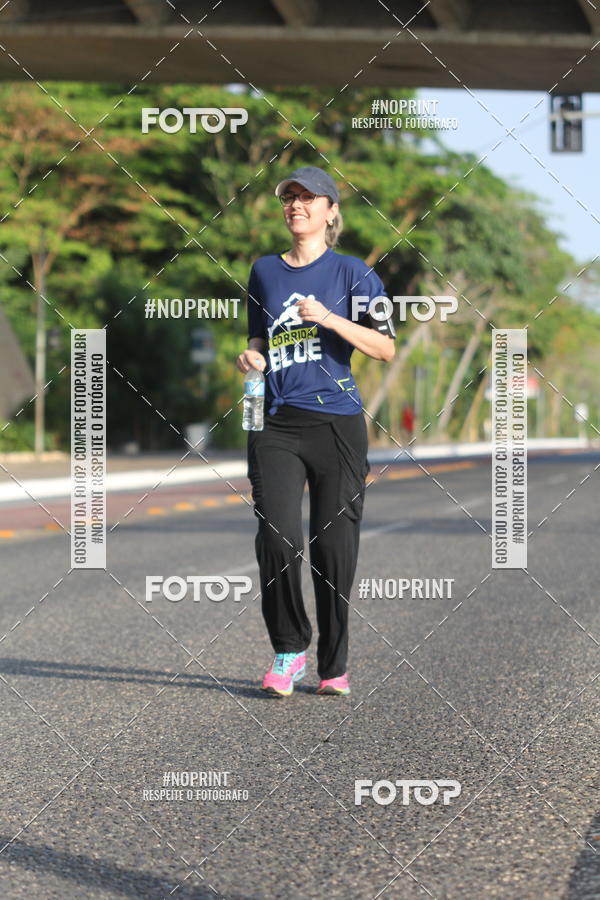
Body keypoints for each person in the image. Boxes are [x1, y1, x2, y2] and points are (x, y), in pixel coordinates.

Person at [236, 165, 396, 698]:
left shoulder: (356, 275)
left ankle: (334, 664)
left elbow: (384, 347)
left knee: (334, 550)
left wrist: (328, 319)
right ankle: (288, 648)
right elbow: (258, 338)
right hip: (275, 422)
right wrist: (251, 357)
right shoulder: (264, 271)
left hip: (336, 424)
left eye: (308, 198)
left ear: (331, 211)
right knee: (275, 537)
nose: (296, 205)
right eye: (289, 198)